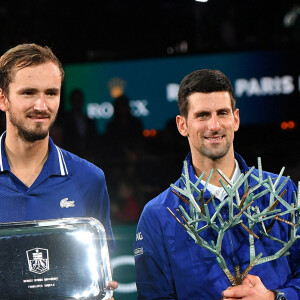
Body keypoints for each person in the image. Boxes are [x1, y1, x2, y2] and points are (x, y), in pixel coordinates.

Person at [134, 69, 300, 299]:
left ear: (236, 119)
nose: (214, 125)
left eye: (222, 113)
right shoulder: (159, 214)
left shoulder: (282, 193)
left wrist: (275, 297)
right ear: (182, 125)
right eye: (202, 115)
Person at [0, 43, 118, 296]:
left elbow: (100, 274)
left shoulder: (90, 179)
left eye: (51, 93)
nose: (41, 106)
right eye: (29, 93)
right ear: (3, 99)